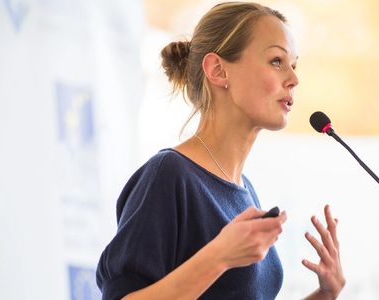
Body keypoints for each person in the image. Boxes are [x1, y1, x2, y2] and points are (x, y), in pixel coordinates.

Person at [96, 2, 345, 299]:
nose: (293, 78)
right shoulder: (169, 176)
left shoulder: (245, 190)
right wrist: (220, 256)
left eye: (294, 64)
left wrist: (325, 294)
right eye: (277, 61)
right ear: (218, 70)